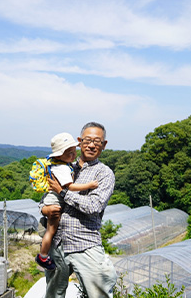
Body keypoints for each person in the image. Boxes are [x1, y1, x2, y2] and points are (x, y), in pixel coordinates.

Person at [40, 122, 117, 298]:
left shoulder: (104, 174)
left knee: (99, 292)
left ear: (104, 145)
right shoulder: (63, 167)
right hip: (57, 244)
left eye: (97, 142)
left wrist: (63, 192)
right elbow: (45, 198)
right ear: (79, 142)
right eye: (87, 140)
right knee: (53, 294)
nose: (91, 145)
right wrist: (45, 209)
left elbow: (93, 206)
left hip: (85, 243)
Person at [35, 132, 98, 271]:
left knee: (51, 231)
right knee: (51, 231)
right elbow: (71, 187)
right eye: (68, 153)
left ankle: (44, 253)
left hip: (52, 200)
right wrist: (90, 185)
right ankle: (43, 256)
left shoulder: (59, 164)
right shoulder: (62, 168)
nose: (73, 155)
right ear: (58, 155)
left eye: (73, 151)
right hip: (55, 202)